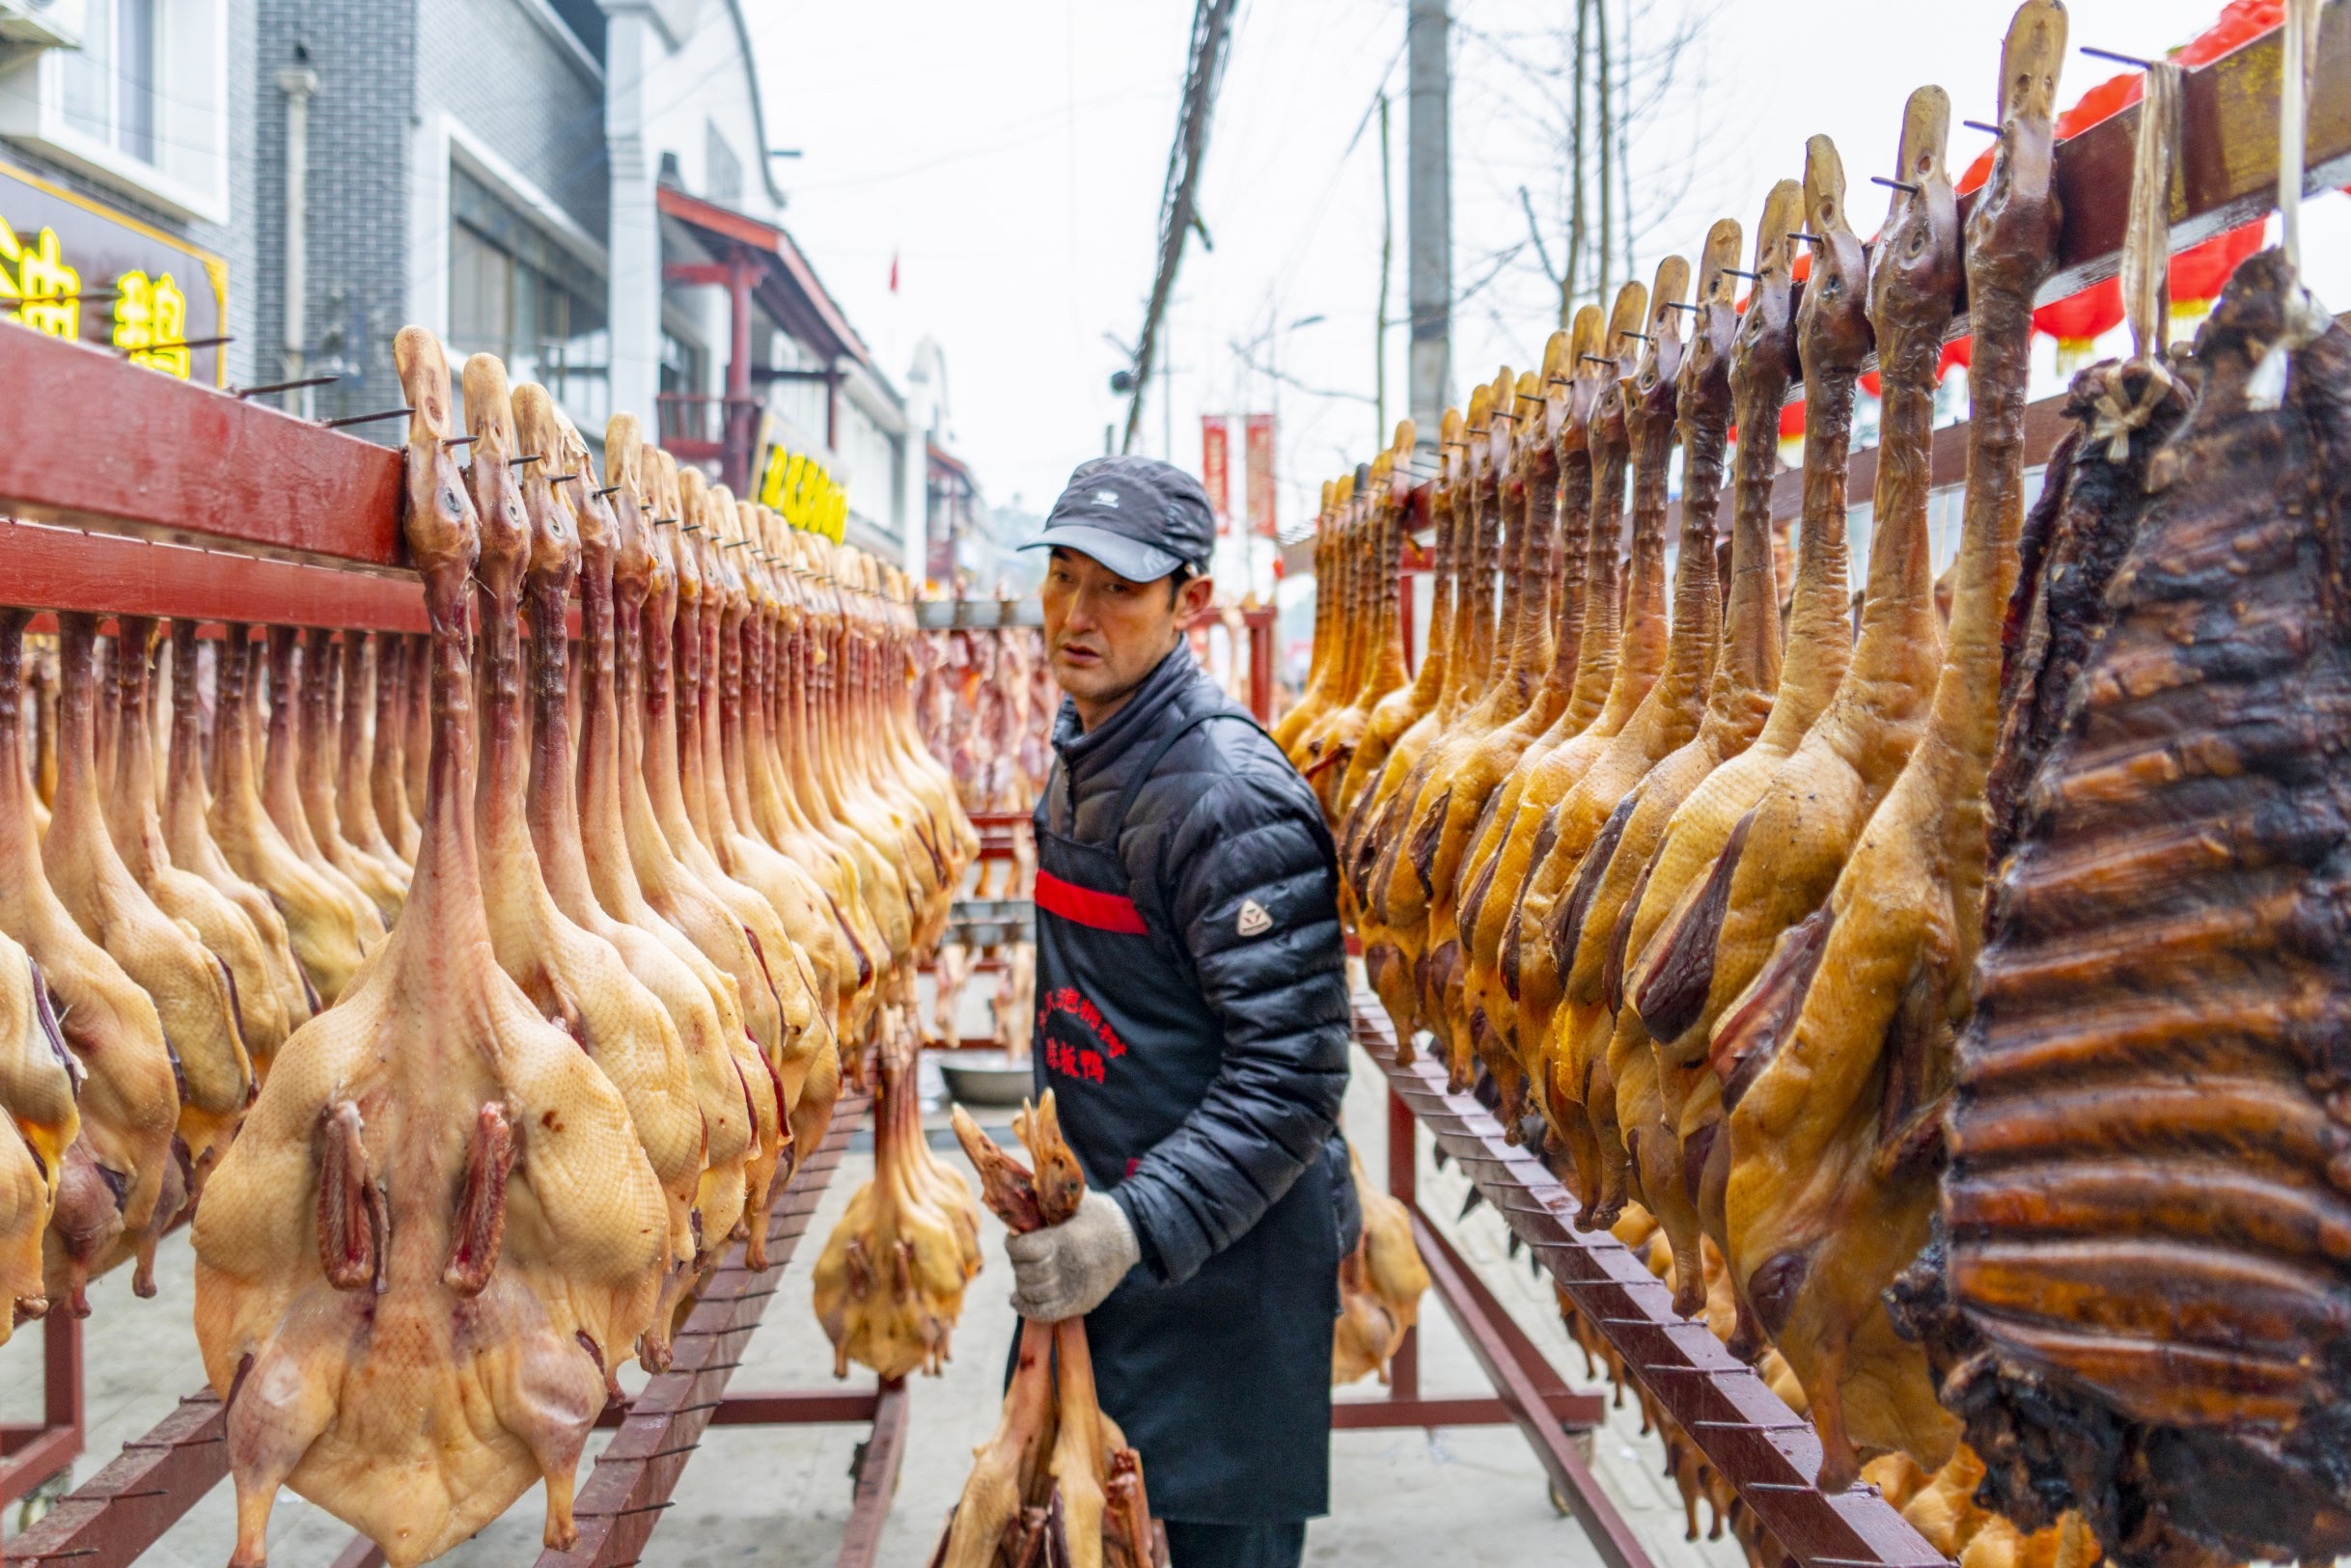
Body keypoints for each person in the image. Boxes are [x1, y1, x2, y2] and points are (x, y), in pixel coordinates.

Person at [1008, 455, 1357, 1568]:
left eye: (1116, 586)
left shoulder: (1224, 794)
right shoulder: (1087, 755)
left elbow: (1292, 1076)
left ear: (1189, 602)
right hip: (1118, 1276)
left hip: (1219, 1302)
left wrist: (1132, 1225)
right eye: (1062, 576)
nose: (1076, 612)